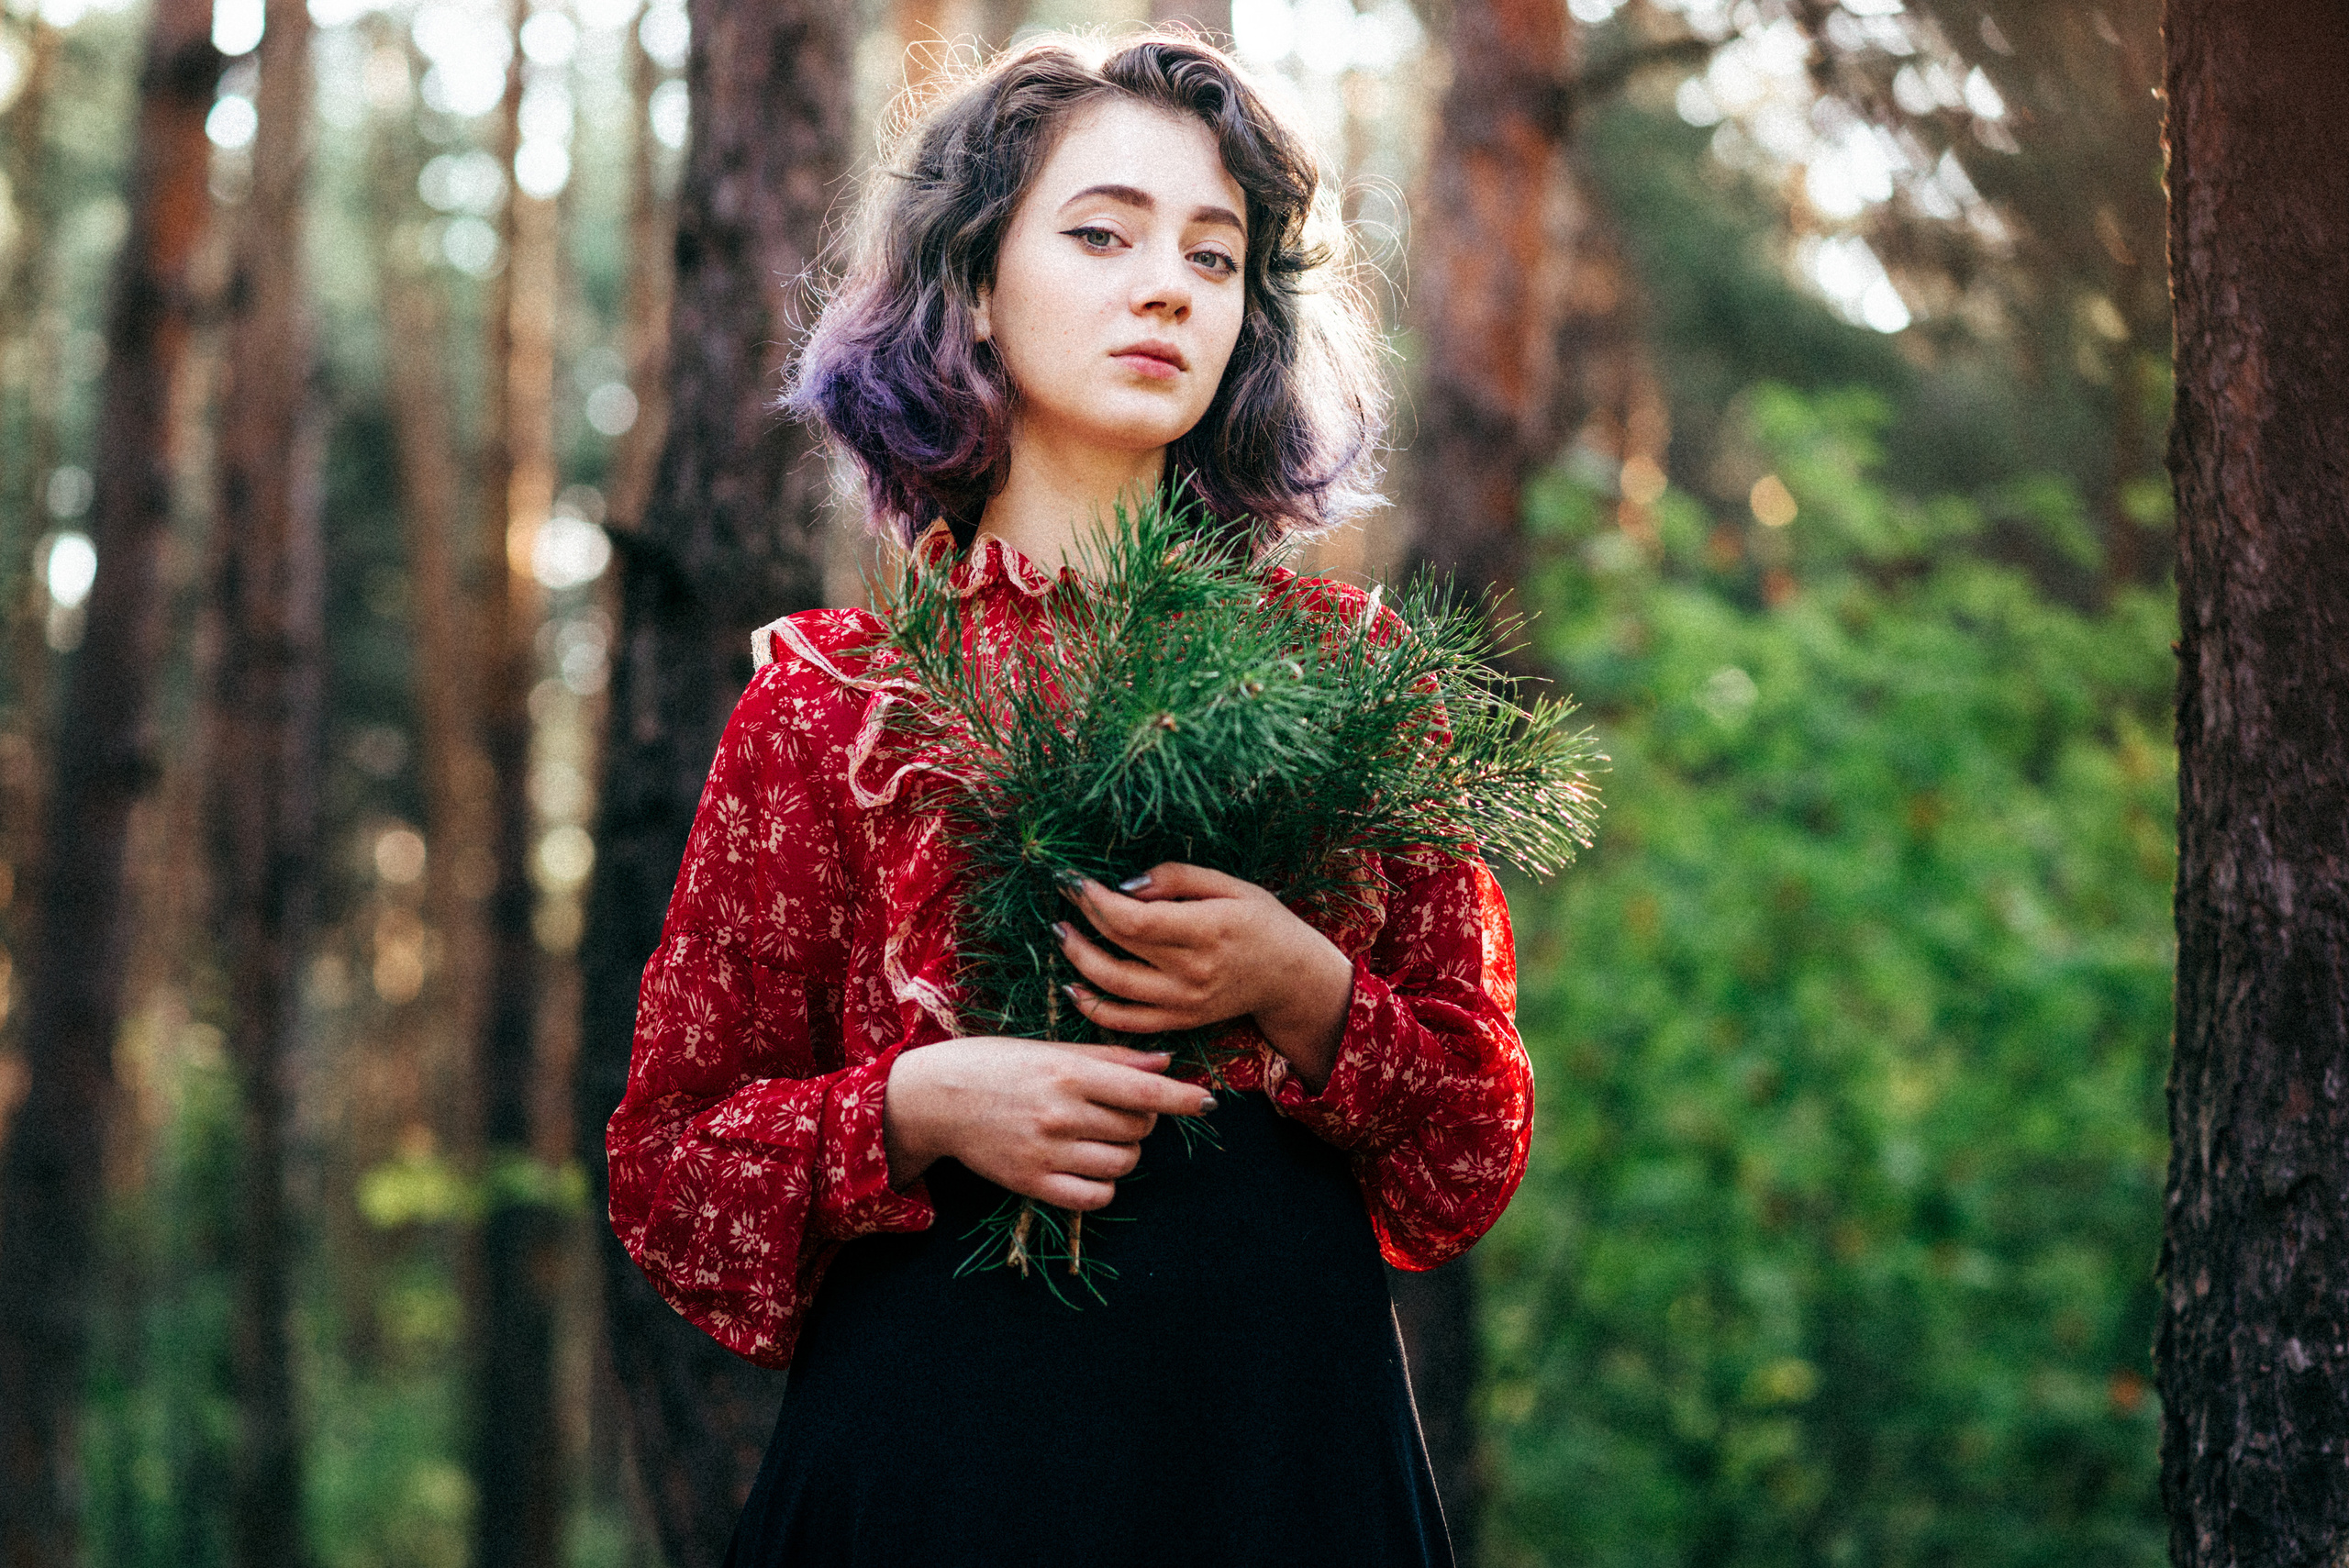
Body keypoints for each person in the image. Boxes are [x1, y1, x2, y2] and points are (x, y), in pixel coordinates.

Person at [606, 32, 1532, 1568]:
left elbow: (1472, 1150)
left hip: (1280, 1467)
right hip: (935, 1482)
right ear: (972, 283)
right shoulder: (834, 699)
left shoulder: (1355, 675)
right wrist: (921, 1105)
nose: (1167, 283)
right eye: (1102, 232)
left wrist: (1302, 988)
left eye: (1214, 254)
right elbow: (671, 1174)